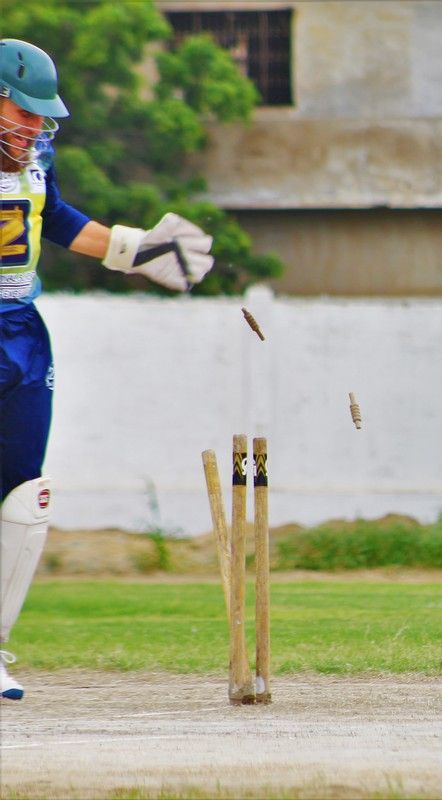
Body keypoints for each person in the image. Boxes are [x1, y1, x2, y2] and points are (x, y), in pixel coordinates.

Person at [0, 39, 215, 700]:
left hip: (19, 332)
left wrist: (139, 250)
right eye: (23, 112)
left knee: (23, 496)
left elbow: (57, 219)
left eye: (42, 116)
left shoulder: (36, 159)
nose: (35, 127)